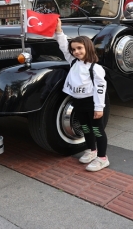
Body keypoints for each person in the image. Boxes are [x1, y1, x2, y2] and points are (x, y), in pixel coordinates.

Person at [55, 18, 109, 172]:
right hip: (78, 102)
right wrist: (59, 30)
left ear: (88, 48)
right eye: (74, 49)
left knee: (97, 130)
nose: (76, 51)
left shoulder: (95, 68)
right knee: (85, 128)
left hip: (92, 103)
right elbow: (63, 45)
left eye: (79, 48)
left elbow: (100, 88)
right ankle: (92, 151)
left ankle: (103, 158)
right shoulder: (73, 62)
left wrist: (99, 107)